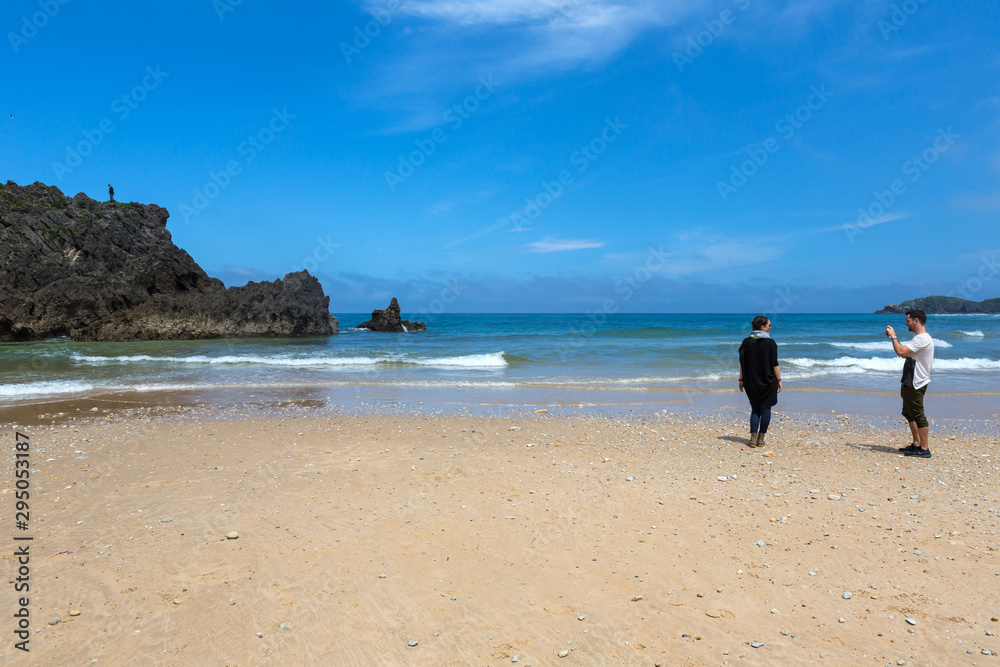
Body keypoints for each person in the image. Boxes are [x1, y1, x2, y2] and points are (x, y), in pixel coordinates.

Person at [886, 309, 935, 458]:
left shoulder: (922, 338)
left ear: (916, 320)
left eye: (908, 320)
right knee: (908, 412)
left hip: (916, 382)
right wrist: (893, 339)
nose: (906, 323)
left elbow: (900, 352)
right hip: (909, 380)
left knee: (918, 415)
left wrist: (893, 336)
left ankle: (924, 449)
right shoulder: (919, 339)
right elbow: (904, 353)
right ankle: (916, 444)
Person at [738, 315, 782, 448]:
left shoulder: (746, 342)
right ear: (762, 327)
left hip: (751, 381)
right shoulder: (770, 343)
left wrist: (741, 379)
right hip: (768, 380)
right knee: (765, 409)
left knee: (755, 409)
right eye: (769, 325)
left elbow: (742, 363)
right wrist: (779, 380)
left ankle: (752, 439)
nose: (770, 327)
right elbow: (775, 364)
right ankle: (761, 439)